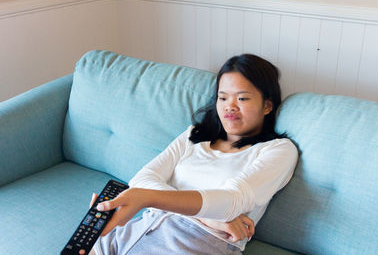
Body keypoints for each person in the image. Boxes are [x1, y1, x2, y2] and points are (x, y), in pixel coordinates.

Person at [87, 54, 298, 255]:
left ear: (267, 106)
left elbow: (232, 201)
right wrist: (210, 218)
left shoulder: (278, 150)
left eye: (242, 98)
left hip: (194, 243)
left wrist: (148, 198)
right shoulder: (194, 135)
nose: (229, 107)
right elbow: (142, 179)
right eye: (222, 97)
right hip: (138, 228)